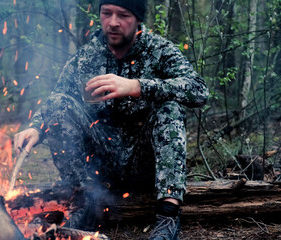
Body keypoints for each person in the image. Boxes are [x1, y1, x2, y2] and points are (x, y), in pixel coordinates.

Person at [14, 0, 209, 239]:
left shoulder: (159, 50)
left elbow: (199, 90)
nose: (113, 23)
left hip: (145, 162)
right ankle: (82, 202)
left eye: (123, 15)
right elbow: (59, 97)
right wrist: (36, 128)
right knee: (57, 104)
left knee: (169, 107)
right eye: (106, 13)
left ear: (138, 19)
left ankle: (168, 216)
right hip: (100, 166)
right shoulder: (88, 56)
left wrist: (137, 86)